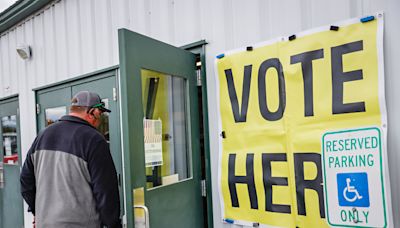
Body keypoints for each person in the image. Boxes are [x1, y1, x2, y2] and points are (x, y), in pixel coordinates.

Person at [20, 91, 121, 228]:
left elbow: (26, 181)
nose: (101, 118)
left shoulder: (43, 135)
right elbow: (105, 191)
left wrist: (38, 212)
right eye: (100, 113)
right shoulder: (94, 139)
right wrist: (113, 224)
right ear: (92, 112)